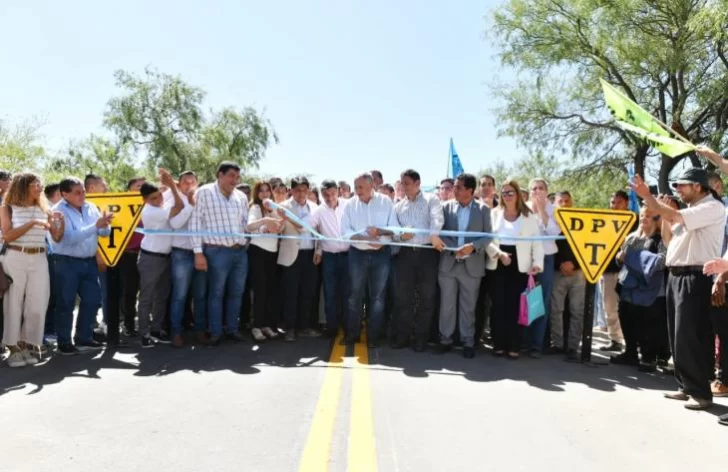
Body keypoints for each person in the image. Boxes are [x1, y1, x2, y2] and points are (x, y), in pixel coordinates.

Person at [634, 168, 724, 410]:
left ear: (698, 186)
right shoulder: (687, 212)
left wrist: (650, 199)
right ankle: (686, 385)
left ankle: (701, 393)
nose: (678, 190)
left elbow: (677, 218)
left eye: (682, 185)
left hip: (695, 276)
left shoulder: (711, 207)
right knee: (677, 335)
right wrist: (663, 214)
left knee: (690, 335)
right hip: (677, 276)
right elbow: (669, 239)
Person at [1, 173, 64, 367]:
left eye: (40, 183)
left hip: (39, 257)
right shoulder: (7, 207)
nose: (39, 186)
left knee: (38, 303)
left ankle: (29, 343)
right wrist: (32, 223)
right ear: (23, 186)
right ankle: (13, 347)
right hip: (15, 256)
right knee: (14, 303)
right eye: (35, 183)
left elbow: (57, 237)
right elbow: (8, 236)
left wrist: (59, 224)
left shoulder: (45, 208)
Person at [51, 177, 114, 355]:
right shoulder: (57, 212)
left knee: (94, 299)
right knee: (66, 303)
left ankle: (83, 337)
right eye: (77, 192)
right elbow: (68, 238)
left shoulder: (91, 207)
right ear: (65, 194)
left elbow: (102, 233)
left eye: (83, 192)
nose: (82, 195)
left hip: (88, 261)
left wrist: (105, 225)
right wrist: (96, 226)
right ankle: (64, 341)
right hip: (66, 261)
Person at [189, 161, 249, 346]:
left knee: (237, 293)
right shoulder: (204, 192)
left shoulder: (241, 197)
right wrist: (198, 252)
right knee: (216, 293)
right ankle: (215, 331)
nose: (235, 180)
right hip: (215, 252)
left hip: (239, 253)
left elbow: (244, 225)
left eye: (237, 177)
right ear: (220, 175)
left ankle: (232, 328)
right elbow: (195, 224)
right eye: (231, 176)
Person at [433, 173, 492, 359]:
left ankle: (468, 341)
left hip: (472, 265)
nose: (454, 190)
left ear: (470, 190)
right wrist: (454, 248)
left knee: (468, 306)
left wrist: (472, 247)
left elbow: (489, 235)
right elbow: (438, 232)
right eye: (454, 187)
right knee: (447, 305)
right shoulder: (444, 207)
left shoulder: (483, 210)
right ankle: (445, 340)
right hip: (449, 263)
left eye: (458, 187)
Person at [485, 179, 543, 359]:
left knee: (516, 306)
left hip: (521, 265)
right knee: (498, 306)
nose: (507, 196)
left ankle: (514, 345)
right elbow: (486, 239)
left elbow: (537, 242)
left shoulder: (529, 216)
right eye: (504, 193)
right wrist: (498, 253)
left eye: (510, 192)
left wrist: (537, 263)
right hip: (498, 262)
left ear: (518, 194)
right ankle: (498, 344)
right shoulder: (493, 214)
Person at [390, 169, 444, 352]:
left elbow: (437, 219)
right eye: (402, 183)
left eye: (406, 183)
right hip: (405, 255)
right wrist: (401, 237)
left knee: (427, 298)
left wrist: (434, 234)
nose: (403, 186)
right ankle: (402, 336)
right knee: (403, 298)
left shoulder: (432, 200)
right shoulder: (398, 207)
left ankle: (421, 339)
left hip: (427, 253)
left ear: (417, 183)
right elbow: (393, 233)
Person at [611, 206, 669, 373]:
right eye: (642, 215)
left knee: (649, 325)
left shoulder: (660, 239)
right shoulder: (631, 238)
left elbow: (662, 261)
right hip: (627, 287)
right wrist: (620, 259)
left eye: (649, 216)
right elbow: (620, 262)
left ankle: (648, 358)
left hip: (651, 290)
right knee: (627, 319)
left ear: (656, 220)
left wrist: (637, 258)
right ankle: (630, 353)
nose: (644, 218)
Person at [341, 172, 396, 347]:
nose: (357, 191)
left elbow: (394, 229)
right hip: (357, 255)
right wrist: (364, 239)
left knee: (378, 297)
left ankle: (373, 337)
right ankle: (352, 335)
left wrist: (379, 233)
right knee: (355, 295)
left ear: (372, 185)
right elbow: (345, 232)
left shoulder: (386, 202)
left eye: (361, 187)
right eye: (356, 187)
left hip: (381, 255)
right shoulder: (350, 205)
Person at [136, 170, 184, 348]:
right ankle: (144, 333)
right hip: (151, 258)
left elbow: (172, 192)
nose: (159, 200)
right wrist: (171, 185)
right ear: (145, 200)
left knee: (161, 296)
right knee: (147, 298)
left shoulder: (159, 205)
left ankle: (156, 329)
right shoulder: (151, 212)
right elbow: (179, 206)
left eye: (159, 196)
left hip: (165, 257)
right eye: (154, 198)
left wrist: (170, 183)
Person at [277, 176, 321, 342]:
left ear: (308, 190)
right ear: (291, 191)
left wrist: (319, 251)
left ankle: (304, 327)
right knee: (290, 293)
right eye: (297, 190)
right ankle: (290, 328)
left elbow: (320, 232)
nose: (301, 193)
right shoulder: (282, 208)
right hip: (290, 256)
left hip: (310, 255)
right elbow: (278, 229)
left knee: (307, 293)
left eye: (304, 189)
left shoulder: (316, 208)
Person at [166, 171, 207, 346]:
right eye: (185, 182)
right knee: (180, 295)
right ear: (179, 184)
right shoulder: (174, 199)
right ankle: (176, 332)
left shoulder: (203, 199)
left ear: (197, 183)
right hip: (181, 253)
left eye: (192, 181)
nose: (189, 184)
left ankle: (200, 330)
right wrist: (189, 206)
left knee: (200, 294)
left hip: (201, 252)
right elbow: (174, 224)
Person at [308, 180, 350, 338]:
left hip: (348, 256)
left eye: (332, 193)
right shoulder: (318, 211)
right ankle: (331, 328)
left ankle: (348, 327)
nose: (330, 197)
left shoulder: (349, 205)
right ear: (321, 195)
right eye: (325, 195)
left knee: (347, 293)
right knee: (330, 293)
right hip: (329, 258)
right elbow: (307, 227)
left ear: (338, 191)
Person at [548, 191, 585, 361]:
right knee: (556, 310)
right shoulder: (551, 223)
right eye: (560, 201)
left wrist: (574, 264)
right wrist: (559, 265)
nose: (563, 203)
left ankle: (572, 347)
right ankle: (557, 344)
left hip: (578, 273)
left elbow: (587, 247)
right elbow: (547, 248)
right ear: (555, 203)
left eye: (567, 201)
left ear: (572, 202)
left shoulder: (581, 222)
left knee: (577, 310)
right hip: (557, 272)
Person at [246, 181, 284, 342]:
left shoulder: (274, 208)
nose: (264, 194)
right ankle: (256, 326)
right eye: (261, 191)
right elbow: (249, 226)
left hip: (272, 253)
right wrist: (265, 221)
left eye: (267, 191)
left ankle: (267, 325)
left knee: (270, 291)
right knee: (260, 291)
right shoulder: (255, 208)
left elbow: (279, 229)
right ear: (257, 193)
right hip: (258, 252)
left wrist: (281, 219)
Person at [526, 178, 560, 356]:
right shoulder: (522, 207)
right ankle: (523, 341)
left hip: (546, 257)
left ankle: (537, 344)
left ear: (547, 191)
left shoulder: (555, 210)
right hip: (525, 258)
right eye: (534, 189)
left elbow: (554, 232)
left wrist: (541, 210)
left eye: (541, 188)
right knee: (524, 299)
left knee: (542, 301)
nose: (537, 191)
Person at [599, 190, 630, 353]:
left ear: (626, 203)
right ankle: (616, 340)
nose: (615, 205)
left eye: (618, 202)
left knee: (629, 308)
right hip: (609, 271)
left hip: (630, 272)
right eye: (612, 202)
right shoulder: (604, 222)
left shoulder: (634, 222)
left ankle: (633, 343)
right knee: (609, 307)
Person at [119, 177, 146, 337]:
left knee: (147, 292)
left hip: (147, 255)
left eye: (144, 186)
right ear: (129, 189)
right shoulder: (123, 208)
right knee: (129, 292)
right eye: (138, 186)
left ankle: (144, 323)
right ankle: (128, 324)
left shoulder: (151, 206)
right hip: (128, 255)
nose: (141, 189)